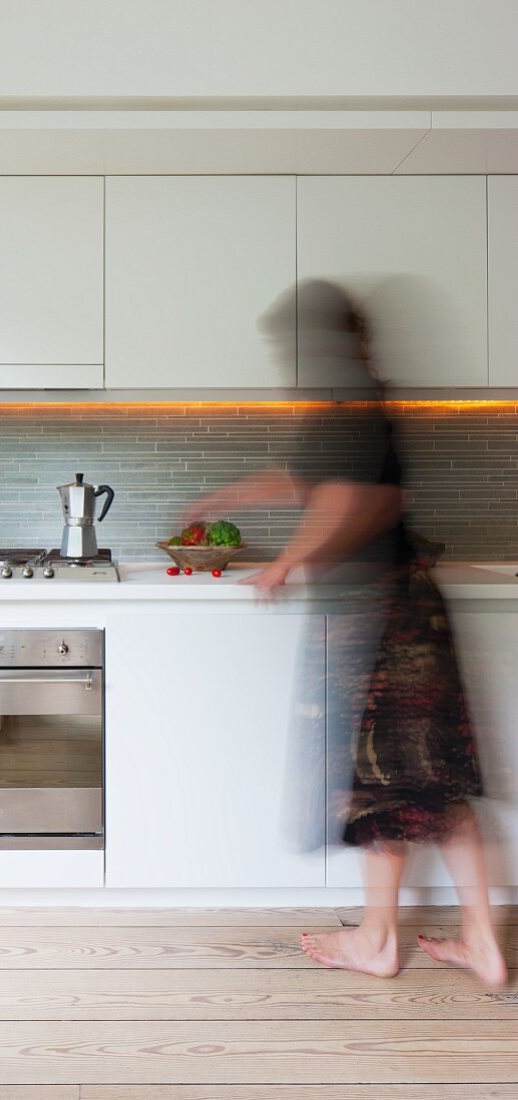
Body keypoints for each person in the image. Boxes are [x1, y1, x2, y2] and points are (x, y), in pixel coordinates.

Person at [185, 279, 507, 988]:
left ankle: (377, 940)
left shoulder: (349, 404)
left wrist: (286, 566)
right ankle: (482, 943)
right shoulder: (361, 403)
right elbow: (310, 479)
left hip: (377, 617)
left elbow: (349, 501)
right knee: (433, 785)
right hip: (407, 609)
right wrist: (226, 496)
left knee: (380, 789)